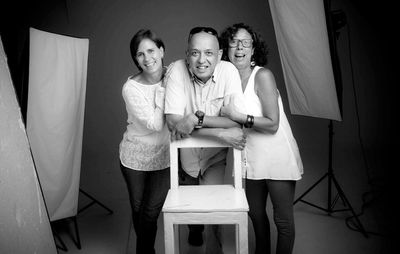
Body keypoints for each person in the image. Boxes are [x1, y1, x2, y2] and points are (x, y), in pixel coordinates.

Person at [220, 23, 304, 254]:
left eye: (245, 42)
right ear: (226, 48)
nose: (239, 47)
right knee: (255, 214)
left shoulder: (263, 75)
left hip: (277, 156)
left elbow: (272, 124)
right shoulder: (228, 80)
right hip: (250, 158)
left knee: (283, 221)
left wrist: (238, 117)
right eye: (234, 41)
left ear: (254, 48)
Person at [164, 26, 247, 254]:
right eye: (195, 53)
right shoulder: (176, 70)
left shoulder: (228, 72)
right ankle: (195, 229)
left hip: (215, 159)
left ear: (219, 55)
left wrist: (195, 118)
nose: (202, 60)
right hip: (187, 159)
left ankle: (212, 240)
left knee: (215, 213)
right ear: (187, 54)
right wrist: (218, 132)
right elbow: (173, 122)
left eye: (209, 53)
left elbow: (235, 123)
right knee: (192, 212)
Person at [119, 29, 170, 254]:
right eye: (140, 54)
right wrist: (163, 92)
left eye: (151, 50)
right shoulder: (131, 88)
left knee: (150, 212)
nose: (147, 58)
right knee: (139, 210)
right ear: (136, 60)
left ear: (161, 50)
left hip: (164, 155)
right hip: (135, 157)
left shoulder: (175, 74)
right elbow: (154, 124)